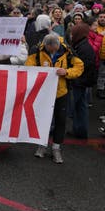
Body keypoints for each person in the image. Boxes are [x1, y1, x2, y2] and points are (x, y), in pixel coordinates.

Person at [26, 33, 83, 164]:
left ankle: (56, 148)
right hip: (43, 93)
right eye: (50, 49)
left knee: (60, 120)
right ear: (45, 46)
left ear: (58, 45)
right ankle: (42, 145)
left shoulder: (67, 52)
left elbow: (79, 67)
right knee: (43, 120)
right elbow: (29, 66)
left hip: (61, 93)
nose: (53, 51)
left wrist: (67, 72)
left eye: (55, 49)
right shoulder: (37, 51)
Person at [68, 23, 96, 139]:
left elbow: (85, 67)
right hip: (82, 82)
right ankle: (80, 131)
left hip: (79, 82)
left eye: (73, 33)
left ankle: (79, 130)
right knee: (81, 107)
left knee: (75, 107)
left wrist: (77, 80)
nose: (71, 35)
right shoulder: (82, 45)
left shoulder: (84, 48)